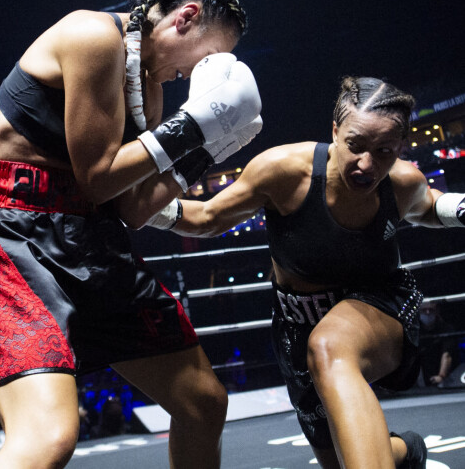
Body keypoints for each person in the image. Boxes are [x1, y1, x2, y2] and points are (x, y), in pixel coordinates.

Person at [0, 0, 263, 468]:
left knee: (204, 402)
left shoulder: (149, 87)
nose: (194, 74)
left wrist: (206, 149)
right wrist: (194, 125)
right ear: (184, 18)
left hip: (93, 239)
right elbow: (99, 178)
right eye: (202, 58)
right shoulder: (92, 35)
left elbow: (132, 208)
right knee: (48, 439)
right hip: (15, 233)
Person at [150, 76, 465, 468]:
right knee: (338, 459)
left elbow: (429, 205)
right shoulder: (283, 171)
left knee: (331, 346)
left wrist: (459, 207)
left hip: (378, 307)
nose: (367, 165)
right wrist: (143, 206)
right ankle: (406, 450)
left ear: (399, 148)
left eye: (384, 151)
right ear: (335, 131)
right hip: (297, 322)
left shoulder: (401, 182)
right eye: (355, 146)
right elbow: (208, 216)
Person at [417, 302, 460, 386]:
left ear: (437, 311)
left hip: (446, 377)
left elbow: (446, 354)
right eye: (424, 310)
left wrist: (441, 376)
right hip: (422, 375)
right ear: (418, 312)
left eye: (431, 310)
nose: (428, 313)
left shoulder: (446, 329)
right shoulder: (415, 331)